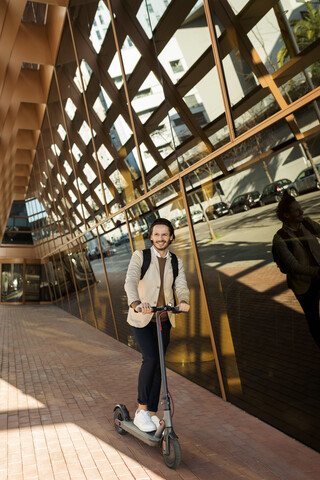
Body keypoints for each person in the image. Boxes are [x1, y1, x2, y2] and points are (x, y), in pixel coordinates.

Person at [124, 218, 190, 432]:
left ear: (171, 236)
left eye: (165, 234)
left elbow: (180, 284)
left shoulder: (175, 261)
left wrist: (184, 301)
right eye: (157, 234)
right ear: (151, 236)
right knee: (150, 359)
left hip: (163, 318)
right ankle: (141, 410)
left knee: (159, 365)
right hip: (142, 318)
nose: (161, 238)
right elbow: (131, 281)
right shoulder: (140, 256)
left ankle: (152, 413)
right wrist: (135, 303)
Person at [272, 193, 320, 347]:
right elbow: (293, 266)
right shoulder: (280, 238)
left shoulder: (306, 223)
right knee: (314, 320)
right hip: (304, 286)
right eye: (297, 210)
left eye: (301, 208)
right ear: (286, 215)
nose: (302, 212)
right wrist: (317, 272)